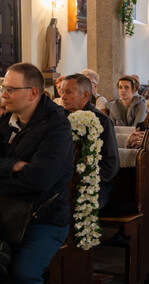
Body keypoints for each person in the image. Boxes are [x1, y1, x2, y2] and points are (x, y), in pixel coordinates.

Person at [0, 63, 73, 283]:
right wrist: (13, 166)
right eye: (3, 88)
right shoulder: (5, 123)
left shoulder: (57, 128)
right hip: (5, 212)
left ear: (32, 93)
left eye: (11, 89)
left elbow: (39, 180)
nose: (4, 94)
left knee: (23, 275)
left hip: (43, 219)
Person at [62, 73, 120, 208]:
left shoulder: (101, 121)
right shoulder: (60, 118)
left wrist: (86, 178)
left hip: (95, 183)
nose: (63, 97)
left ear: (85, 96)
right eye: (62, 92)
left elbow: (111, 163)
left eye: (68, 92)